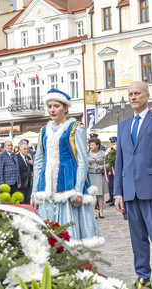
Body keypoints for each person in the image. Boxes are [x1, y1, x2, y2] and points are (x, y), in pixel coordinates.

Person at [114, 81, 152, 289]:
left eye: (137, 93)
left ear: (147, 96)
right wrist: (117, 192)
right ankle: (143, 280)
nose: (133, 97)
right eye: (130, 94)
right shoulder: (123, 125)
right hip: (129, 190)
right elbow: (119, 161)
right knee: (137, 239)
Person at [32, 88, 102, 246]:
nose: (52, 109)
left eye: (56, 106)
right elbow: (38, 162)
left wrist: (78, 190)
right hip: (46, 186)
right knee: (45, 235)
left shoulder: (76, 128)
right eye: (49, 106)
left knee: (69, 233)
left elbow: (82, 160)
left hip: (68, 182)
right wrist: (35, 191)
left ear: (65, 108)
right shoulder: (44, 130)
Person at [87, 137, 108, 218]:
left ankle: (101, 211)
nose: (91, 146)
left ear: (97, 145)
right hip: (91, 175)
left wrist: (103, 166)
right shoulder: (87, 153)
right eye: (90, 145)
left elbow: (109, 164)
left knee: (101, 194)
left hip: (100, 175)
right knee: (92, 194)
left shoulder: (103, 153)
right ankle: (93, 211)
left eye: (92, 145)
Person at [105, 137, 117, 205]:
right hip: (111, 170)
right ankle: (111, 197)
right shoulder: (110, 150)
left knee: (114, 185)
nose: (113, 143)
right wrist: (109, 169)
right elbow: (108, 161)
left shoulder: (117, 149)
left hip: (116, 170)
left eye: (114, 142)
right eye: (112, 142)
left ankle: (115, 199)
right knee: (111, 185)